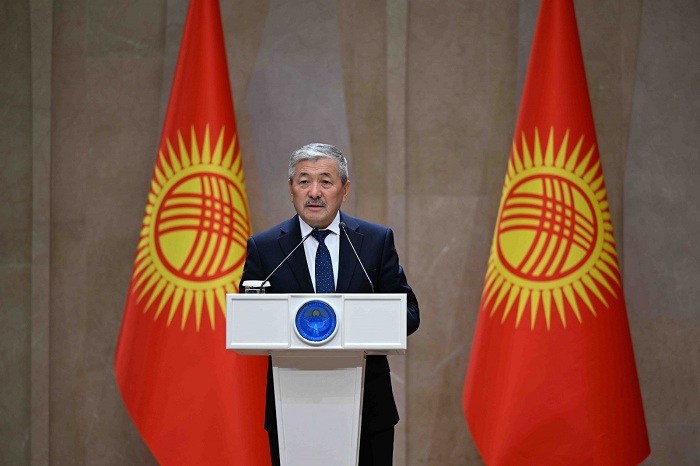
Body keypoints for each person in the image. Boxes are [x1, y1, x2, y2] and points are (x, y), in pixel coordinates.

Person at [240, 142, 420, 465]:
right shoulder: (264, 248)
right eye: (304, 181)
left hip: (368, 410)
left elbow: (409, 314)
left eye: (325, 181)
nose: (314, 192)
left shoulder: (375, 242)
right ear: (291, 189)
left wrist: (357, 322)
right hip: (291, 408)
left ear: (344, 190)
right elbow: (248, 320)